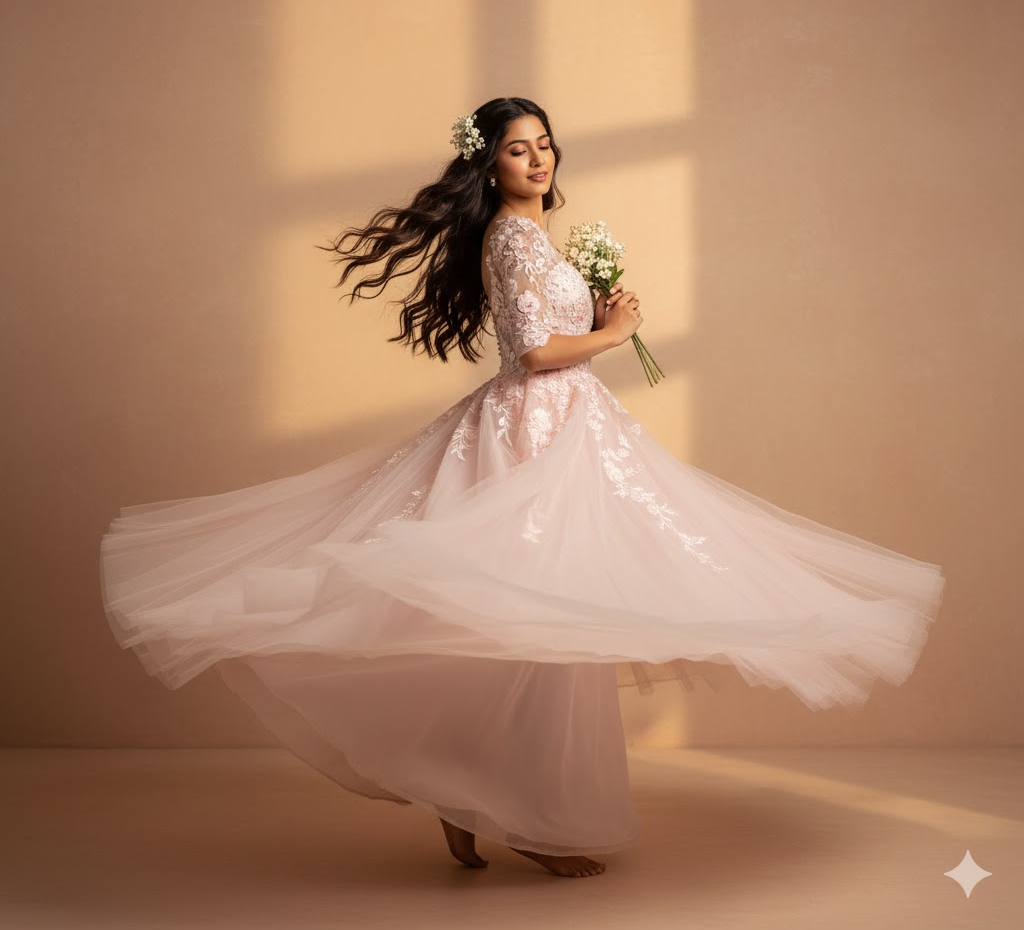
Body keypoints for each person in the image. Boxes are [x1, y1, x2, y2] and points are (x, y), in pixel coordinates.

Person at [100, 96, 945, 879]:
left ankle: (469, 797)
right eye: (517, 149)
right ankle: (527, 819)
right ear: (489, 163)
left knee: (541, 626)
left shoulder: (535, 237)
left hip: (568, 426)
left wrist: (600, 315)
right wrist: (616, 333)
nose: (537, 159)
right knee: (541, 628)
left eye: (544, 145)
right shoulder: (510, 237)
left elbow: (547, 334)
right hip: (534, 436)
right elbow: (534, 355)